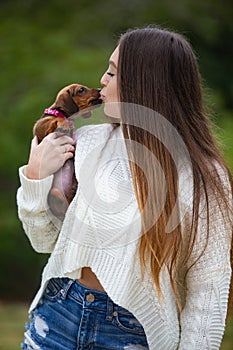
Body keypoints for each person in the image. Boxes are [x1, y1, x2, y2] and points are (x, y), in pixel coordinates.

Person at [17, 26, 233, 350]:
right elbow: (43, 240)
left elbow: (208, 290)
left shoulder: (203, 177)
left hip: (132, 334)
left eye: (113, 72)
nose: (102, 80)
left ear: (145, 84)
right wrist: (35, 176)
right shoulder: (86, 142)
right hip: (56, 317)